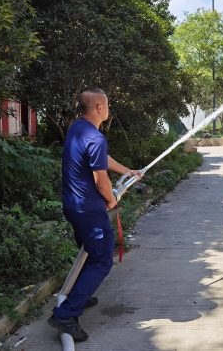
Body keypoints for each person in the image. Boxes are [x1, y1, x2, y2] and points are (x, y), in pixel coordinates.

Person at [47, 88, 142, 341]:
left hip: (73, 207)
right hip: (89, 211)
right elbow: (101, 182)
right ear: (100, 108)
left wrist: (128, 171)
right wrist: (111, 199)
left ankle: (80, 294)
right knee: (101, 259)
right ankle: (66, 314)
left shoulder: (78, 129)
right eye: (107, 105)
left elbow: (101, 158)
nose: (108, 109)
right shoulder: (96, 138)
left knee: (89, 254)